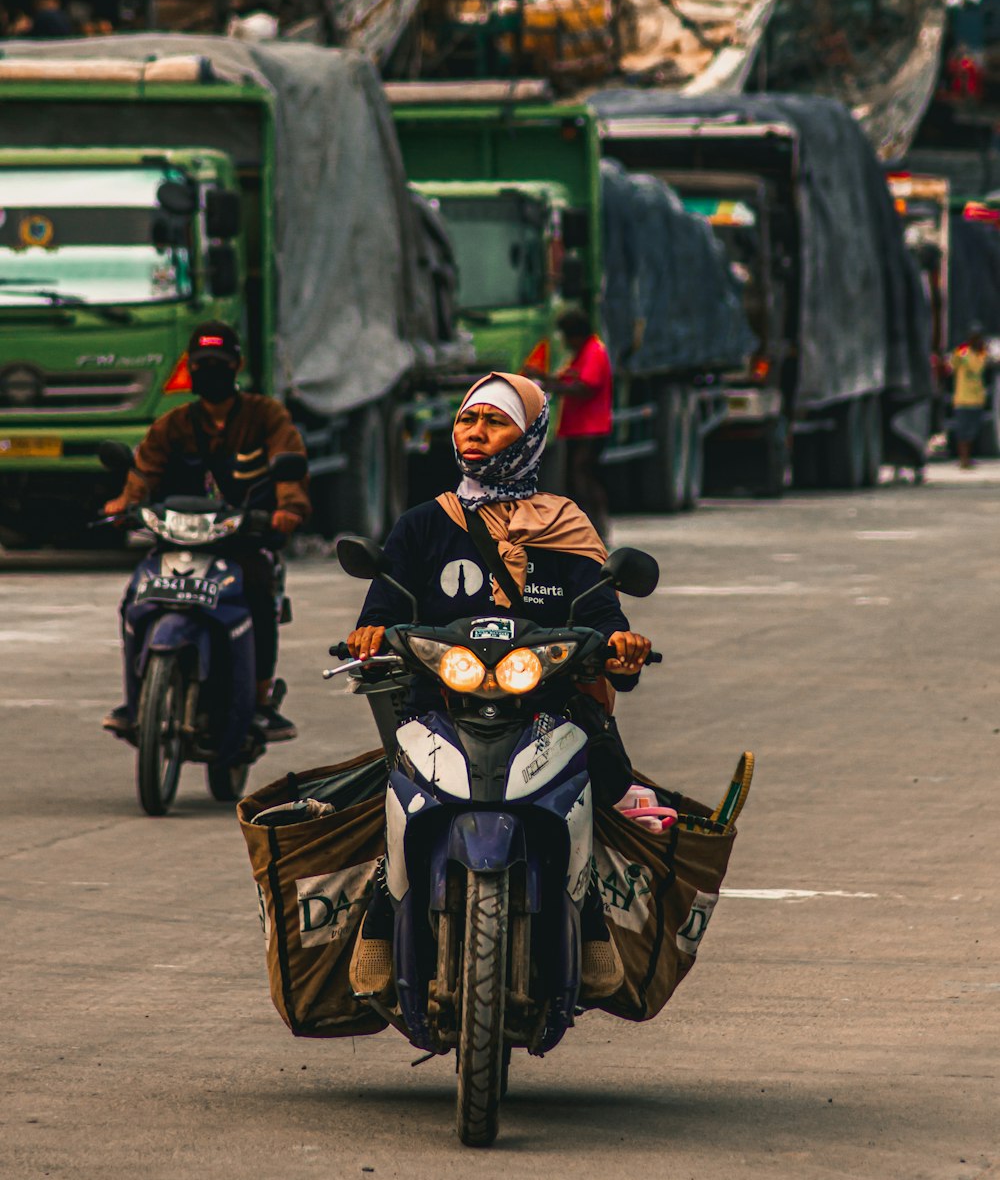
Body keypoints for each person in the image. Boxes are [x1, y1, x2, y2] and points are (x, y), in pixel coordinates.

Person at [347, 370, 651, 1000]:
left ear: (530, 435)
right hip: (443, 703)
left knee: (595, 774)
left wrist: (621, 641)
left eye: (495, 421)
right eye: (468, 419)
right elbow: (383, 605)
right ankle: (383, 903)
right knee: (397, 784)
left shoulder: (565, 525)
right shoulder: (423, 526)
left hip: (544, 709)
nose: (476, 432)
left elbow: (600, 612)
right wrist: (371, 633)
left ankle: (588, 908)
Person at [102, 322, 310, 744]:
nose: (209, 371)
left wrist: (286, 511)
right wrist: (124, 505)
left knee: (257, 590)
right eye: (201, 365)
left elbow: (289, 470)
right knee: (134, 599)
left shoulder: (266, 416)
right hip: (176, 539)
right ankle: (135, 698)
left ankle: (261, 699)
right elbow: (143, 474)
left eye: (218, 364)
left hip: (243, 541)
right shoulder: (173, 424)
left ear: (236, 366)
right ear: (190, 370)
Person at [527, 307, 613, 540]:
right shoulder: (580, 354)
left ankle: (597, 529)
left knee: (583, 477)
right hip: (577, 429)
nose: (564, 342)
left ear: (575, 334)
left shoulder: (595, 351)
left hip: (591, 428)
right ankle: (584, 530)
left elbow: (585, 387)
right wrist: (544, 378)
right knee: (574, 481)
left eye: (566, 336)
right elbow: (569, 378)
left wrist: (553, 387)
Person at [951, 322, 989, 470]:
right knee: (963, 431)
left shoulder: (981, 353)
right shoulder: (963, 351)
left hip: (976, 399)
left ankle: (968, 458)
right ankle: (963, 459)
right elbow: (953, 363)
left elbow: (981, 367)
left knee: (973, 431)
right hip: (963, 398)